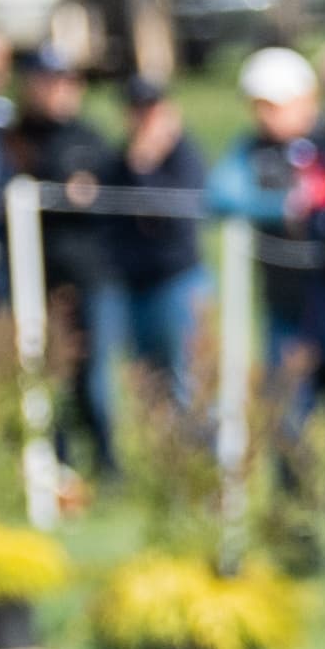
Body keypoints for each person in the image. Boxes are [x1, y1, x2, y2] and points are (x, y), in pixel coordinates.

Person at [206, 47, 325, 414]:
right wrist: (283, 205)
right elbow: (221, 195)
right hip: (285, 305)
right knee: (286, 415)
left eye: (274, 105)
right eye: (259, 106)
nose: (264, 116)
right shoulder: (252, 150)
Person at [11, 47, 122, 472]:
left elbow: (108, 200)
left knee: (91, 377)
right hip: (32, 279)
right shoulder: (15, 138)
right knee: (43, 373)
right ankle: (53, 463)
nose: (60, 91)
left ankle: (106, 464)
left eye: (66, 82)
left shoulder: (88, 139)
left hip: (88, 278)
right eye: (50, 82)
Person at [91, 76, 211, 429]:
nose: (144, 118)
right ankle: (162, 466)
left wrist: (144, 167)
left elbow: (175, 220)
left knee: (188, 381)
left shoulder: (185, 156)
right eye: (136, 110)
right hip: (134, 287)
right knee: (149, 385)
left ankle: (196, 469)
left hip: (177, 284)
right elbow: (108, 222)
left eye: (151, 109)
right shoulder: (117, 160)